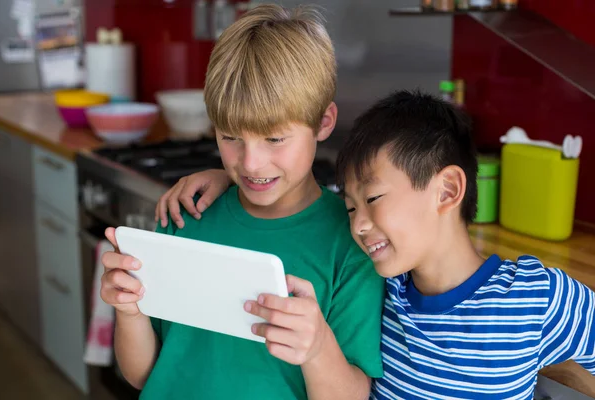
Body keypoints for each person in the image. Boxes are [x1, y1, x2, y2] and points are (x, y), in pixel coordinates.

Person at [157, 90, 595, 399]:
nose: (359, 225)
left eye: (372, 199)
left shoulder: (535, 297)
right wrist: (230, 180)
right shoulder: (385, 288)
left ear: (446, 191)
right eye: (350, 208)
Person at [99, 5, 384, 400]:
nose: (250, 163)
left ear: (323, 122)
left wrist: (317, 348)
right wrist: (128, 310)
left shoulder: (352, 245)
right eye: (230, 137)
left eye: (274, 139)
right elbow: (144, 376)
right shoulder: (185, 218)